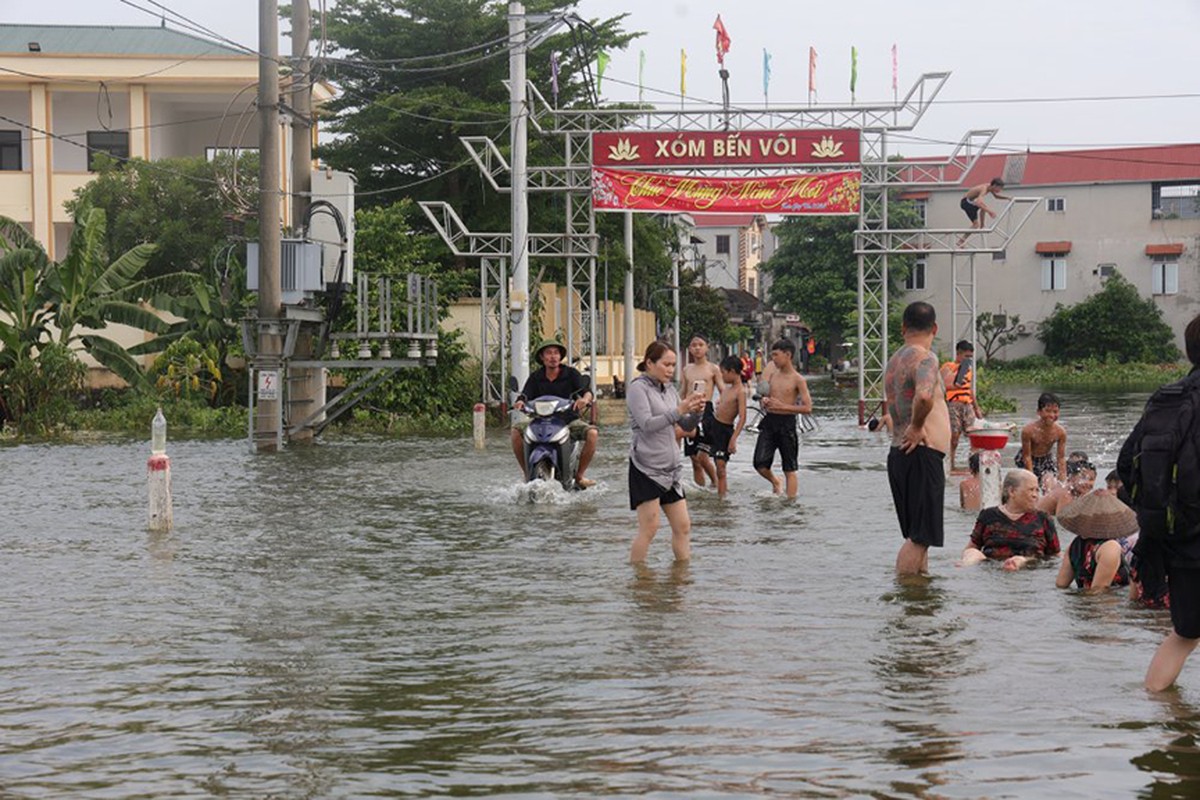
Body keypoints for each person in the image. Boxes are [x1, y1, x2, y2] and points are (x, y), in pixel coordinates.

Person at [1119, 313, 1200, 691]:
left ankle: (1164, 727)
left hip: (1179, 537)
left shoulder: (1167, 399)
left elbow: (1126, 465)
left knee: (1185, 633)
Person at [880, 301, 952, 576]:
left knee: (917, 537)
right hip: (922, 452)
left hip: (900, 453)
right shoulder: (925, 358)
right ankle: (908, 604)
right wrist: (918, 426)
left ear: (903, 328)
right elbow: (923, 396)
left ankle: (918, 604)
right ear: (934, 327)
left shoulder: (894, 361)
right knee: (920, 538)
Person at [627, 340, 706, 563]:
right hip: (646, 467)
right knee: (650, 528)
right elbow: (647, 424)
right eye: (666, 364)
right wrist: (678, 410)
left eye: (673, 365)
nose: (671, 370)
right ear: (649, 363)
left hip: (671, 468)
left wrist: (697, 412)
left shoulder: (670, 390)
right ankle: (639, 579)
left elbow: (686, 425)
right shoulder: (637, 388)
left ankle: (680, 579)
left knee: (683, 526)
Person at [510, 339, 598, 488]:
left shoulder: (571, 374)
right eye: (549, 353)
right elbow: (525, 395)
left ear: (560, 356)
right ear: (542, 358)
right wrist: (520, 403)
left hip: (568, 421)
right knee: (515, 431)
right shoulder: (536, 376)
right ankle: (527, 474)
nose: (553, 356)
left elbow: (588, 392)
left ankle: (579, 476)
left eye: (556, 353)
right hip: (539, 421)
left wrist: (584, 399)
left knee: (593, 434)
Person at [960, 469, 1060, 570]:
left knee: (1019, 560)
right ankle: (962, 569)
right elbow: (972, 546)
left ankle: (1015, 564)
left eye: (1037, 490)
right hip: (992, 566)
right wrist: (970, 556)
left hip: (1028, 564)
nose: (1035, 495)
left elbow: (1055, 555)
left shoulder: (1043, 519)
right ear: (1012, 491)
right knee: (972, 553)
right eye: (1031, 490)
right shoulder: (988, 515)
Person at [752, 339, 813, 498]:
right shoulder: (772, 376)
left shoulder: (798, 379)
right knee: (759, 463)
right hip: (770, 422)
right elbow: (764, 396)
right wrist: (764, 401)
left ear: (788, 355)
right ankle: (775, 481)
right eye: (772, 355)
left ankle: (790, 504)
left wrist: (783, 407)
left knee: (790, 467)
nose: (774, 359)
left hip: (787, 424)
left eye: (776, 355)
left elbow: (807, 408)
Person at [1054, 490, 1138, 593]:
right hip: (1107, 606)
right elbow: (1098, 592)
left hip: (1080, 605)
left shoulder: (1073, 546)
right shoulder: (1110, 547)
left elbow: (1061, 584)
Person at [679, 334, 723, 488]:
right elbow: (683, 392)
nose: (697, 348)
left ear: (707, 347)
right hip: (689, 411)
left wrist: (722, 404)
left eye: (700, 345)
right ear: (690, 349)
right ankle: (701, 492)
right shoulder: (686, 369)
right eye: (693, 345)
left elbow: (723, 390)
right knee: (694, 459)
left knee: (702, 456)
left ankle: (716, 484)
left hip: (706, 412)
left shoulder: (713, 369)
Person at [940, 340, 982, 472]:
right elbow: (941, 386)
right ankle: (951, 465)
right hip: (953, 404)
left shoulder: (968, 370)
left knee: (974, 435)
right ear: (958, 354)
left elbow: (969, 390)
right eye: (966, 356)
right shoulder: (948, 367)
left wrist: (976, 408)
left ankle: (974, 466)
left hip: (967, 404)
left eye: (970, 357)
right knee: (954, 437)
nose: (968, 359)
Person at [1016, 392, 1067, 488]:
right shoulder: (1028, 431)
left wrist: (1063, 480)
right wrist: (1031, 478)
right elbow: (1027, 456)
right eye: (1047, 411)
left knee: (1049, 484)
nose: (1052, 415)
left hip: (1046, 459)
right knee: (1029, 486)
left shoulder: (1060, 432)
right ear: (1039, 412)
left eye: (1055, 412)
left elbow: (1061, 458)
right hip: (1027, 457)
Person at [956, 177, 1012, 246]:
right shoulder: (984, 189)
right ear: (994, 186)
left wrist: (1007, 198)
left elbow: (996, 196)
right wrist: (990, 212)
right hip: (965, 202)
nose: (1000, 190)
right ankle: (981, 227)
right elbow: (978, 202)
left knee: (976, 223)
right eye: (999, 188)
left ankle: (962, 240)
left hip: (969, 202)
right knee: (982, 209)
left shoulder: (990, 187)